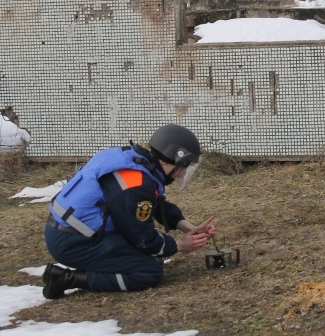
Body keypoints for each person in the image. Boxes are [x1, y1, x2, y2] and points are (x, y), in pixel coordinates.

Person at [42, 124, 215, 299]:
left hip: (67, 232)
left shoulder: (134, 160)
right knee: (148, 271)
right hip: (73, 242)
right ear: (166, 160)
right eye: (182, 166)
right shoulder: (138, 183)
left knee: (150, 256)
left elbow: (152, 203)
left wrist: (187, 227)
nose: (182, 173)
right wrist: (179, 245)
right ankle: (65, 279)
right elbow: (143, 238)